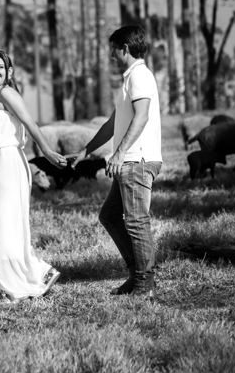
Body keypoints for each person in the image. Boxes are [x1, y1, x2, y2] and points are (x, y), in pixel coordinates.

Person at [66, 25, 163, 298]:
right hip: (129, 161)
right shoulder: (129, 79)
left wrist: (119, 154)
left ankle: (145, 283)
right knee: (109, 215)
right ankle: (136, 275)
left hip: (136, 161)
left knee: (136, 221)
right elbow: (113, 123)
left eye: (113, 49)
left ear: (125, 48)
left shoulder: (140, 76)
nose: (111, 54)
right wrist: (85, 151)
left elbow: (141, 117)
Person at [0, 49, 67, 303]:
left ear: (9, 72)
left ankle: (16, 290)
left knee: (2, 225)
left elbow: (30, 122)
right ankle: (36, 275)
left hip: (6, 163)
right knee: (5, 225)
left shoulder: (6, 92)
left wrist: (47, 152)